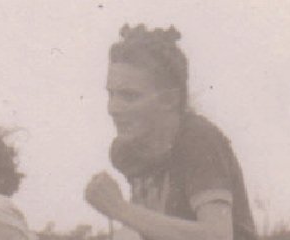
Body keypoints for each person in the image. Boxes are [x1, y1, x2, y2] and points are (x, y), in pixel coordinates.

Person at [84, 24, 257, 240]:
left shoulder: (199, 139)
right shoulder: (128, 151)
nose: (113, 108)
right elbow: (147, 228)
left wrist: (120, 209)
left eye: (129, 96)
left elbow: (218, 236)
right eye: (111, 94)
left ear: (170, 100)